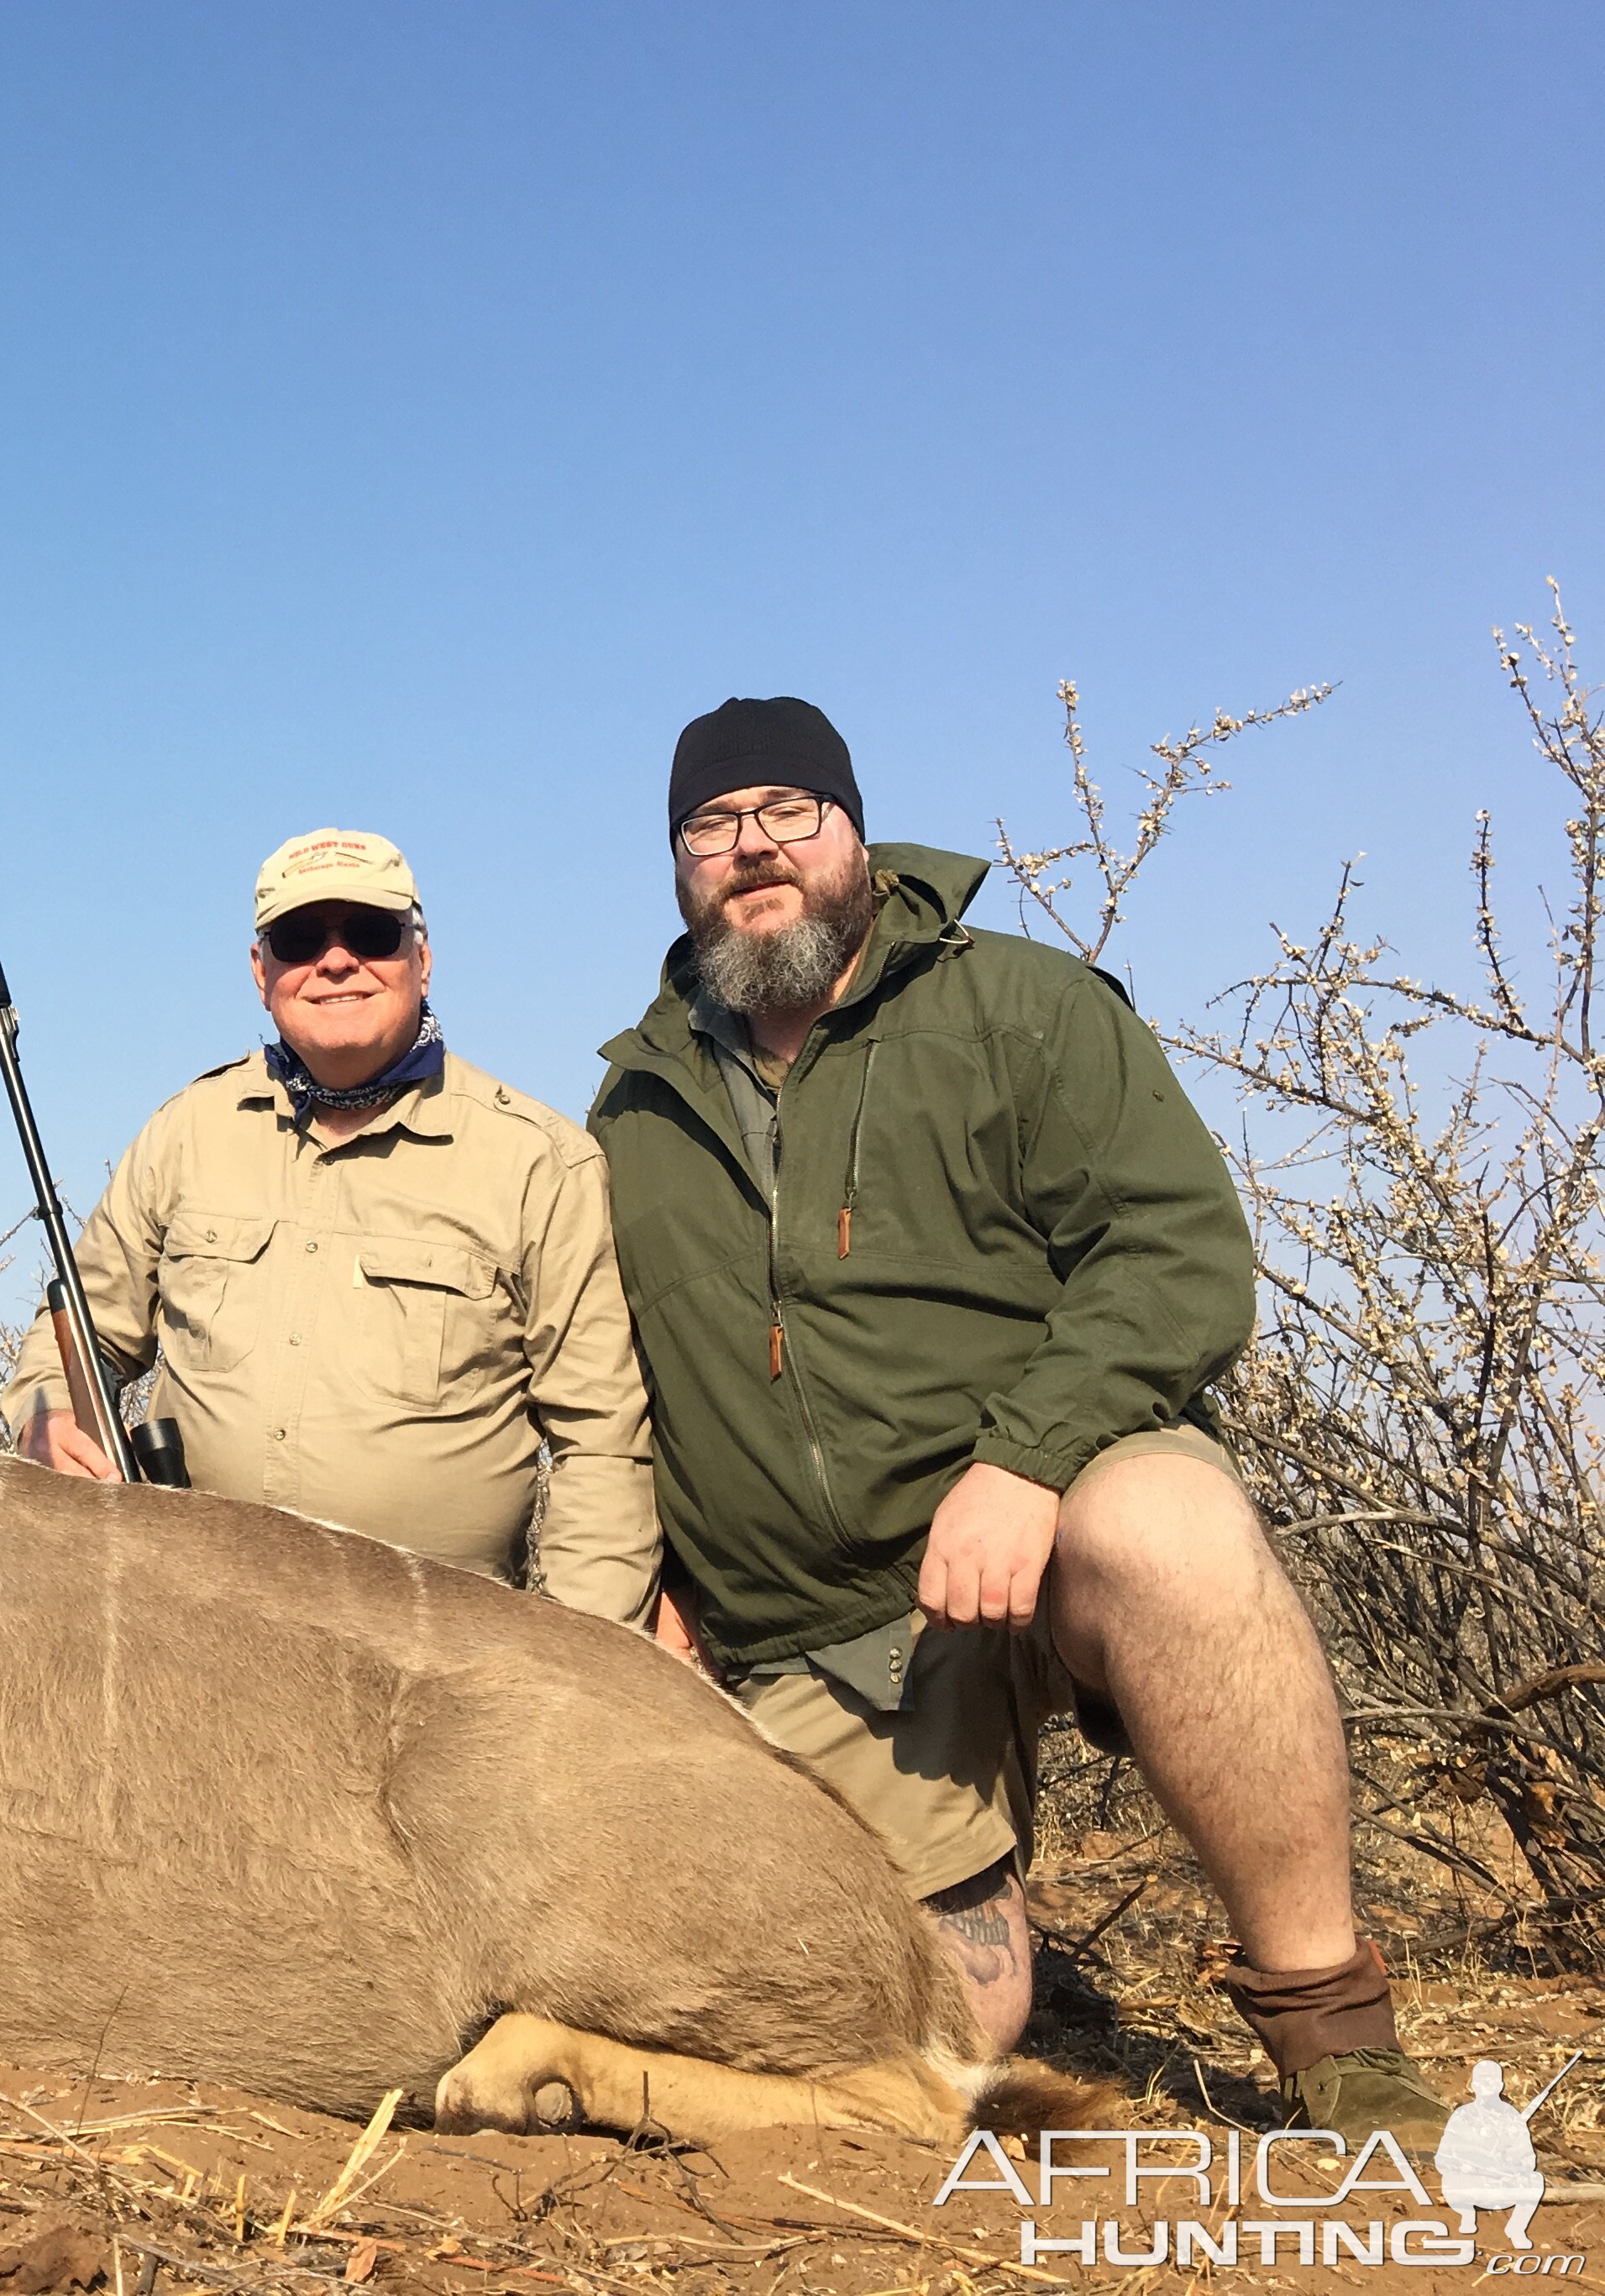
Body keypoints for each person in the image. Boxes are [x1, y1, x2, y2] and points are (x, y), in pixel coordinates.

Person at [589, 694, 1440, 2136]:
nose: (753, 846)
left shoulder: (1025, 1006)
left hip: (1041, 1538)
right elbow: (627, 1379)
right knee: (929, 2030)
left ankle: (1333, 2030)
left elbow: (1175, 1257)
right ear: (679, 862)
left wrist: (1023, 1459)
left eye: (790, 810)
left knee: (1168, 1520)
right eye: (714, 824)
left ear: (854, 831)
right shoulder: (630, 1106)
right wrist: (665, 1574)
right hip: (830, 1632)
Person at [0, 827, 659, 1625]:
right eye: (301, 938)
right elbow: (81, 1334)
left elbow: (602, 1444)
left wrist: (574, 1666)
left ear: (421, 956)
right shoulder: (185, 1132)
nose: (336, 960)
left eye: (370, 934)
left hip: (437, 1662)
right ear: (260, 970)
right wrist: (50, 1415)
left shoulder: (541, 1163)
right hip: (189, 1626)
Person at [1436, 2062, 1547, 2247]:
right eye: (1481, 2082)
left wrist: (1510, 2163)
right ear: (1473, 2086)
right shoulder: (1462, 2115)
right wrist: (1463, 2164)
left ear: (1500, 2085)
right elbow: (1442, 2158)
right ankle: (1467, 2215)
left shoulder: (1512, 2117)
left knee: (1535, 2180)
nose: (1486, 2086)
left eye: (1491, 2082)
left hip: (1500, 2184)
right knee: (1450, 2179)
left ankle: (1516, 2229)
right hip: (1469, 2183)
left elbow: (1528, 2160)